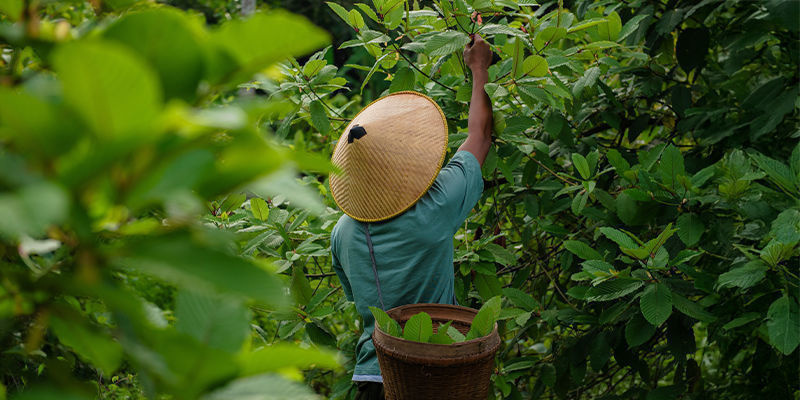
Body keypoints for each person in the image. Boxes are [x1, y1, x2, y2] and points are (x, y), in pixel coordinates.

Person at [329, 34, 494, 400]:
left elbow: (356, 297)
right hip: (432, 375)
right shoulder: (434, 208)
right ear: (406, 165)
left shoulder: (341, 233)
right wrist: (479, 67)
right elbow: (480, 136)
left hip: (372, 377)